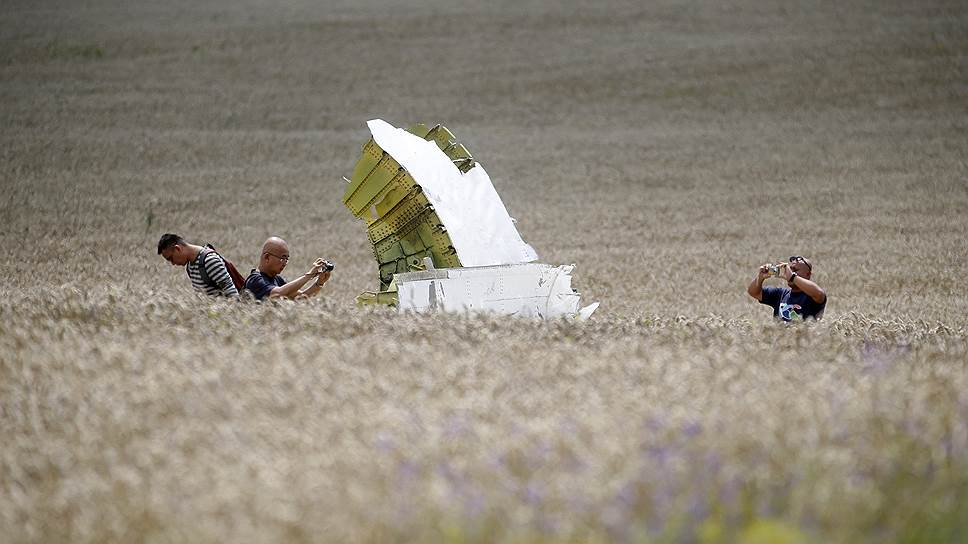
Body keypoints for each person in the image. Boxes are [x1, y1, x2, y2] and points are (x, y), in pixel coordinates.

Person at [245, 236, 332, 301]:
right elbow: (277, 294)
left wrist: (320, 282)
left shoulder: (277, 280)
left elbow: (301, 297)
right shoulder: (255, 280)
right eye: (282, 258)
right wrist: (309, 275)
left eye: (287, 259)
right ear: (267, 257)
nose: (285, 263)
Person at [157, 233, 239, 297]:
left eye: (171, 258)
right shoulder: (190, 265)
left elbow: (232, 293)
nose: (173, 263)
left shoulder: (209, 261)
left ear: (178, 248)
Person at [747, 255, 826, 321]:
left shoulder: (812, 296)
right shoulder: (780, 294)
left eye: (795, 270)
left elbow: (819, 293)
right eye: (790, 270)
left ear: (808, 274)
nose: (790, 273)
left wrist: (793, 277)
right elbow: (754, 292)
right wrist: (760, 278)